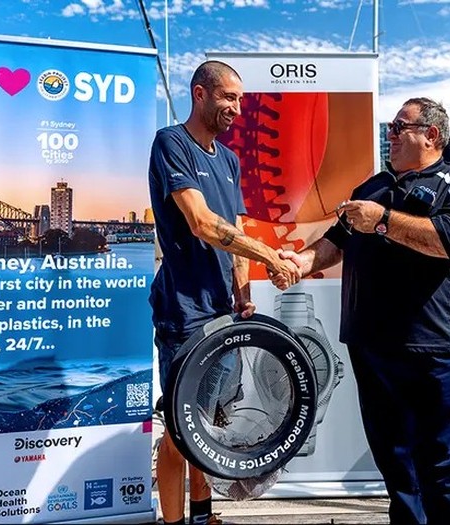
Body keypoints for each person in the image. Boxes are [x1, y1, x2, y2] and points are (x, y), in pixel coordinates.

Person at [278, 97, 450, 524]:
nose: (390, 135)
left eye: (399, 127)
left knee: (446, 469)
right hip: (373, 349)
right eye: (390, 128)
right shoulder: (371, 187)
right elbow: (337, 241)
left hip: (437, 350)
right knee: (397, 466)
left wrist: (382, 220)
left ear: (431, 135)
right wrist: (299, 263)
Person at [148, 60, 300, 525]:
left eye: (240, 99)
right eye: (228, 97)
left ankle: (203, 516)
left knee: (208, 424)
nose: (237, 107)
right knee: (180, 430)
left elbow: (235, 228)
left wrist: (243, 294)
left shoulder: (229, 159)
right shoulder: (172, 143)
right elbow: (202, 223)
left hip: (221, 312)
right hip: (184, 311)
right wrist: (271, 255)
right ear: (200, 94)